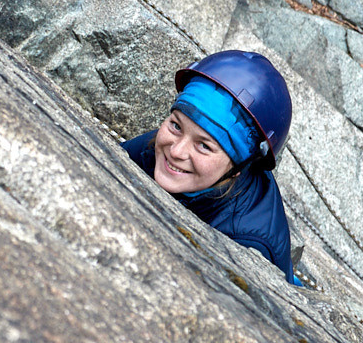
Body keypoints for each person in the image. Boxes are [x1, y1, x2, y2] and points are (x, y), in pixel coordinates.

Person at [120, 51, 297, 281]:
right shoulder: (160, 146)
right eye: (176, 125)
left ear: (239, 166)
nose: (176, 151)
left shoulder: (248, 244)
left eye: (204, 145)